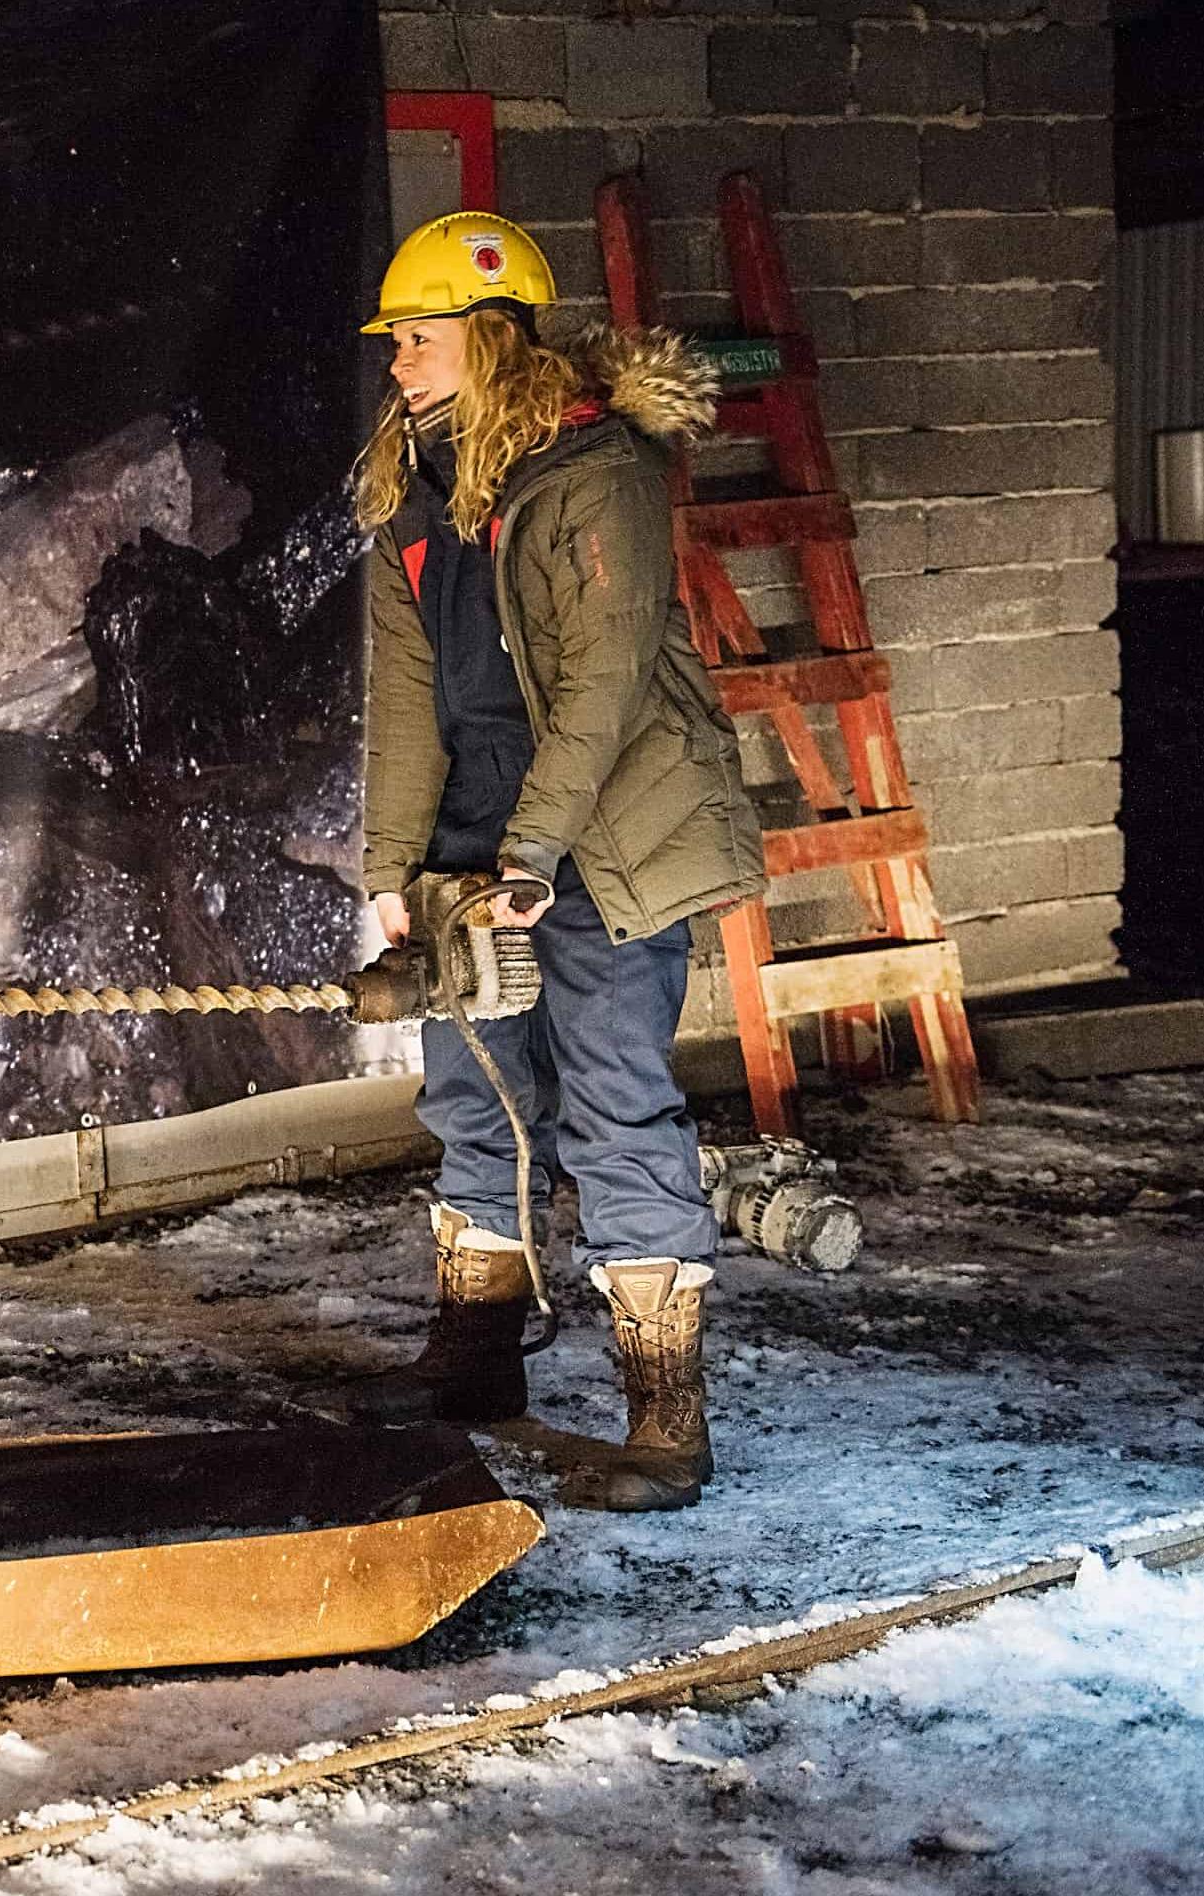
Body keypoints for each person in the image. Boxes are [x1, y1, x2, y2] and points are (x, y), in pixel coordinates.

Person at [344, 213, 766, 1512]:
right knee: (473, 1095)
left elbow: (605, 686)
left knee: (613, 1104)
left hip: (604, 842)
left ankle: (664, 1420)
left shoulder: (600, 475)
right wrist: (394, 873)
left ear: (486, 335)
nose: (397, 362)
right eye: (395, 343)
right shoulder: (411, 495)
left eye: (415, 339)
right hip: (477, 845)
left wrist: (530, 855)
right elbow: (407, 697)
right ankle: (477, 1363)